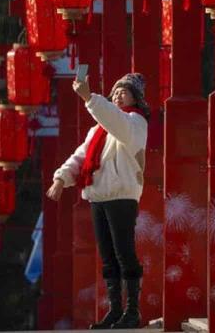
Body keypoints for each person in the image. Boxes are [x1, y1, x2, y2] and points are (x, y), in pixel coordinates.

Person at [46, 73, 149, 329]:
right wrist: (61, 178)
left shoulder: (135, 122)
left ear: (136, 98)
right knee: (108, 257)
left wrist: (90, 98)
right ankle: (115, 310)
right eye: (114, 93)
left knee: (124, 253)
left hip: (122, 196)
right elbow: (80, 157)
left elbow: (117, 122)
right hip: (99, 196)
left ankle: (132, 310)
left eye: (123, 93)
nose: (117, 97)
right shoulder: (99, 129)